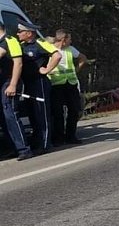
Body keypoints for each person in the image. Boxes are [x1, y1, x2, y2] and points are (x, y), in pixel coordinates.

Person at [16, 21, 61, 153]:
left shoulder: (40, 43)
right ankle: (36, 142)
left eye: (20, 32)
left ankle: (46, 144)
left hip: (39, 82)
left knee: (41, 113)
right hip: (27, 83)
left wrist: (47, 69)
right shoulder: (21, 45)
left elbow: (57, 55)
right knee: (32, 114)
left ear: (29, 33)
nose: (18, 34)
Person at [0, 22, 32, 160]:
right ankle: (13, 147)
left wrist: (13, 84)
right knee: (3, 117)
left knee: (11, 114)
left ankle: (24, 149)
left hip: (10, 82)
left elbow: (18, 63)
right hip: (2, 83)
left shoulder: (10, 40)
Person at [49, 29, 85, 145]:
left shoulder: (70, 50)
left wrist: (76, 70)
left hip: (71, 83)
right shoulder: (49, 49)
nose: (71, 41)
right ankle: (58, 138)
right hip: (56, 85)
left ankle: (71, 136)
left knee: (74, 110)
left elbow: (82, 58)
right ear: (63, 40)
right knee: (57, 113)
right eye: (69, 39)